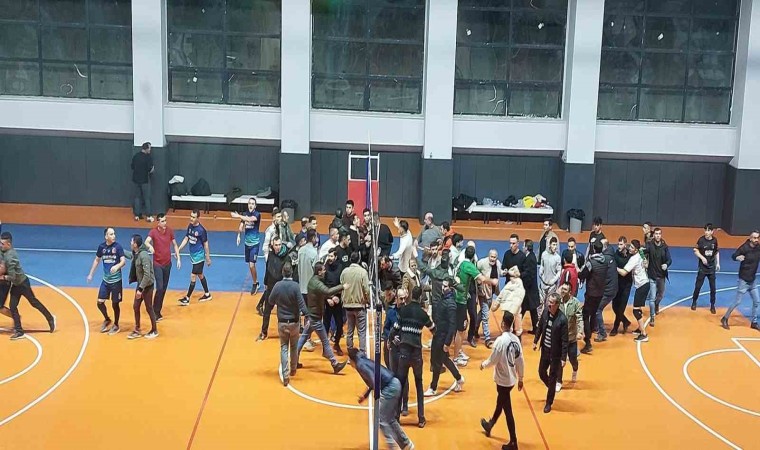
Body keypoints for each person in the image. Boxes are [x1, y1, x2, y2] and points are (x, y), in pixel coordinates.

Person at [351, 348, 414, 450]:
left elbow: (373, 380)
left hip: (389, 388)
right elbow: (373, 380)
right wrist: (365, 395)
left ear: (352, 360)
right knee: (390, 419)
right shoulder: (364, 360)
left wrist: (377, 394)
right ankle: (406, 444)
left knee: (381, 419)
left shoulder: (360, 365)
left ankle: (392, 447)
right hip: (395, 384)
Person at [390, 286, 435, 428]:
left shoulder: (403, 311)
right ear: (420, 297)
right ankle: (421, 418)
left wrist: (392, 340)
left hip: (404, 352)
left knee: (400, 383)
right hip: (416, 354)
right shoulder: (422, 314)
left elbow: (394, 329)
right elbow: (434, 329)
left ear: (410, 295)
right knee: (419, 384)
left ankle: (396, 417)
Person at [479, 311, 524, 450]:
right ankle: (490, 424)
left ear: (503, 323)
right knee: (501, 403)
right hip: (511, 380)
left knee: (507, 410)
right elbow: (520, 360)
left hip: (502, 380)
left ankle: (514, 441)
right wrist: (521, 378)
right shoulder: (516, 340)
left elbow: (493, 359)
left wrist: (483, 364)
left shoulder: (500, 341)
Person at [1, 231, 56, 340]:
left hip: (22, 284)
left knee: (34, 302)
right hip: (16, 286)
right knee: (13, 306)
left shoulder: (10, 257)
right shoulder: (5, 251)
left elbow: (12, 277)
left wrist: (3, 277)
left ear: (9, 244)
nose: (0, 245)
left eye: (2, 244)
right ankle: (19, 331)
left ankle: (50, 318)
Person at [296, 261, 348, 374]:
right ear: (319, 272)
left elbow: (322, 292)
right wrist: (342, 287)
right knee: (325, 341)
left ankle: (294, 359)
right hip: (316, 318)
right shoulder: (317, 283)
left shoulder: (313, 281)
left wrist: (331, 297)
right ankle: (334, 364)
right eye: (324, 270)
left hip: (312, 316)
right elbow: (326, 290)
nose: (325, 272)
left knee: (303, 338)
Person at [268, 263, 308, 386]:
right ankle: (293, 369)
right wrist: (308, 314)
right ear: (292, 273)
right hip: (294, 322)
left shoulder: (277, 286)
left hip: (282, 322)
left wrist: (279, 303)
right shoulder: (295, 286)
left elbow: (270, 300)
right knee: (294, 347)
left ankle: (285, 375)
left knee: (284, 347)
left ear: (282, 272)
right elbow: (302, 305)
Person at [425, 277, 465, 396]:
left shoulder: (451, 304)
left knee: (438, 361)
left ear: (451, 288)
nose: (443, 288)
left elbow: (452, 325)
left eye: (445, 286)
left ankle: (433, 387)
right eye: (443, 285)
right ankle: (459, 378)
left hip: (442, 337)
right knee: (443, 359)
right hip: (438, 334)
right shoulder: (444, 299)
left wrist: (447, 343)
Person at [86, 227, 127, 334]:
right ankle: (107, 319)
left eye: (114, 234)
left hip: (116, 281)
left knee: (115, 304)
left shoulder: (118, 247)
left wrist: (117, 266)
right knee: (100, 303)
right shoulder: (102, 247)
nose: (114, 236)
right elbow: (97, 260)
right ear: (106, 236)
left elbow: (123, 261)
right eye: (111, 234)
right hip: (106, 281)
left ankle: (116, 325)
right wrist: (90, 274)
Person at [532, 293, 568, 414]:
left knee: (553, 377)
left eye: (552, 302)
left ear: (557, 305)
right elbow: (540, 328)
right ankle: (551, 388)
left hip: (555, 354)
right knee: (541, 372)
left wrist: (563, 358)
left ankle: (549, 402)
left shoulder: (562, 320)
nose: (549, 304)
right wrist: (535, 341)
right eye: (549, 301)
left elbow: (565, 340)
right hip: (545, 350)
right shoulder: (545, 313)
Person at [721, 230, 760, 331]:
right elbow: (734, 256)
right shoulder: (744, 248)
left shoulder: (758, 248)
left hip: (752, 280)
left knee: (757, 301)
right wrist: (738, 257)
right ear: (750, 238)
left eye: (757, 238)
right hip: (744, 280)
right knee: (737, 302)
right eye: (754, 238)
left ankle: (754, 322)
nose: (756, 240)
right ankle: (725, 318)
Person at [146, 214, 181, 321]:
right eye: (162, 221)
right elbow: (146, 242)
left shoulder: (169, 231)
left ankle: (157, 311)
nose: (164, 223)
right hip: (158, 264)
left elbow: (175, 244)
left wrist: (178, 258)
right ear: (158, 222)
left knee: (164, 289)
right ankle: (153, 310)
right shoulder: (153, 232)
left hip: (167, 264)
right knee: (160, 287)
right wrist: (150, 246)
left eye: (165, 220)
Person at [617, 240, 651, 342]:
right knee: (638, 308)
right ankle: (640, 328)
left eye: (631, 247)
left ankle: (644, 334)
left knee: (636, 310)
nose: (629, 248)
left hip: (642, 285)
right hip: (644, 283)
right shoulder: (640, 253)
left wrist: (614, 267)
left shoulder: (634, 259)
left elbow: (623, 272)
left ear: (635, 250)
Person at [177, 210, 212, 306]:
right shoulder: (190, 226)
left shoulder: (201, 230)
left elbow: (206, 244)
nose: (191, 218)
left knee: (193, 276)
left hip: (199, 257)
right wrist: (179, 249)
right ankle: (207, 294)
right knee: (200, 275)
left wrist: (208, 258)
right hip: (193, 256)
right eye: (191, 216)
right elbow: (186, 238)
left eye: (193, 217)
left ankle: (187, 298)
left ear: (198, 218)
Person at [258, 237, 290, 341]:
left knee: (282, 313)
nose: (278, 247)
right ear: (273, 245)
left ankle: (284, 333)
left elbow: (288, 274)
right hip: (271, 288)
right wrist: (265, 282)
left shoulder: (286, 257)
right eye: (276, 245)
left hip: (281, 289)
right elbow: (267, 269)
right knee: (267, 310)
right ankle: (264, 332)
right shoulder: (271, 255)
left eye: (279, 245)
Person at [127, 234, 158, 340]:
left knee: (149, 308)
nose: (130, 243)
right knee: (136, 306)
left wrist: (140, 289)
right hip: (140, 285)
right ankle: (137, 329)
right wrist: (119, 250)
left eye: (132, 241)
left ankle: (154, 330)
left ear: (135, 244)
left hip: (147, 286)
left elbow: (147, 275)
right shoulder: (136, 253)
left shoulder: (144, 256)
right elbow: (131, 256)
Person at [578, 241, 607, 354]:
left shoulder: (591, 263)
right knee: (593, 313)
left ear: (594, 249)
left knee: (585, 315)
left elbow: (582, 275)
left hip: (591, 293)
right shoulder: (605, 261)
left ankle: (587, 340)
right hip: (600, 293)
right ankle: (591, 331)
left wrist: (579, 270)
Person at [341, 251, 371, 353]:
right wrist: (368, 300)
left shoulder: (345, 272)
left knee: (350, 330)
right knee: (361, 331)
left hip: (348, 305)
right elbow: (367, 289)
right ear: (359, 260)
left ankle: (350, 350)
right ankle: (362, 352)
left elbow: (341, 285)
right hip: (359, 305)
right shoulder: (363, 272)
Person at [556, 281, 583, 390]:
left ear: (570, 292)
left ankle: (575, 369)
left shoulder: (575, 303)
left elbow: (579, 318)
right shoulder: (557, 301)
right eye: (562, 289)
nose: (562, 291)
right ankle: (559, 381)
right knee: (559, 360)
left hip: (571, 338)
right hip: (560, 338)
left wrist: (580, 331)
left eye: (565, 289)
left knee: (573, 359)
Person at [233, 198, 262, 294]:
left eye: (253, 204)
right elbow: (241, 226)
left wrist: (238, 215)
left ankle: (255, 283)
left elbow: (249, 219)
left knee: (251, 264)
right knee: (249, 265)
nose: (251, 205)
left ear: (255, 206)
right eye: (249, 203)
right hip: (247, 243)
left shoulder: (257, 214)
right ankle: (255, 281)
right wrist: (238, 235)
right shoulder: (245, 214)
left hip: (255, 244)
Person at [691, 223, 720, 313]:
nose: (706, 232)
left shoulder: (714, 241)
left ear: (712, 232)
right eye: (705, 230)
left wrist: (718, 263)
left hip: (711, 268)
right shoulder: (701, 240)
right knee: (698, 286)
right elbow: (695, 250)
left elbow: (716, 252)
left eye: (708, 230)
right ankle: (694, 301)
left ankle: (712, 305)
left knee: (713, 288)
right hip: (702, 268)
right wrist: (702, 258)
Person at [645, 228, 672, 324]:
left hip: (661, 276)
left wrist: (666, 265)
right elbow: (642, 252)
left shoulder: (664, 246)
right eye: (656, 234)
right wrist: (644, 260)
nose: (657, 235)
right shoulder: (649, 245)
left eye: (659, 234)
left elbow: (669, 260)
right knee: (652, 298)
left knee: (660, 295)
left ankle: (657, 304)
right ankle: (652, 317)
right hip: (652, 275)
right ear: (654, 235)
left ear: (661, 235)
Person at [611, 237, 633, 336]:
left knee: (621, 308)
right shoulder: (616, 255)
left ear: (625, 244)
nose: (619, 246)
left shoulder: (630, 256)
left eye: (621, 244)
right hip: (617, 284)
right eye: (618, 244)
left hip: (626, 285)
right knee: (614, 306)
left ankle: (615, 328)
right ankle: (625, 321)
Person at [131, 142, 154, 222]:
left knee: (137, 198)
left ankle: (137, 215)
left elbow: (132, 166)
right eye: (149, 148)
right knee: (147, 198)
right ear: (146, 149)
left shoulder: (136, 156)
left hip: (136, 180)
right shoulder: (148, 158)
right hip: (145, 180)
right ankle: (148, 216)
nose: (150, 150)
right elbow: (150, 169)